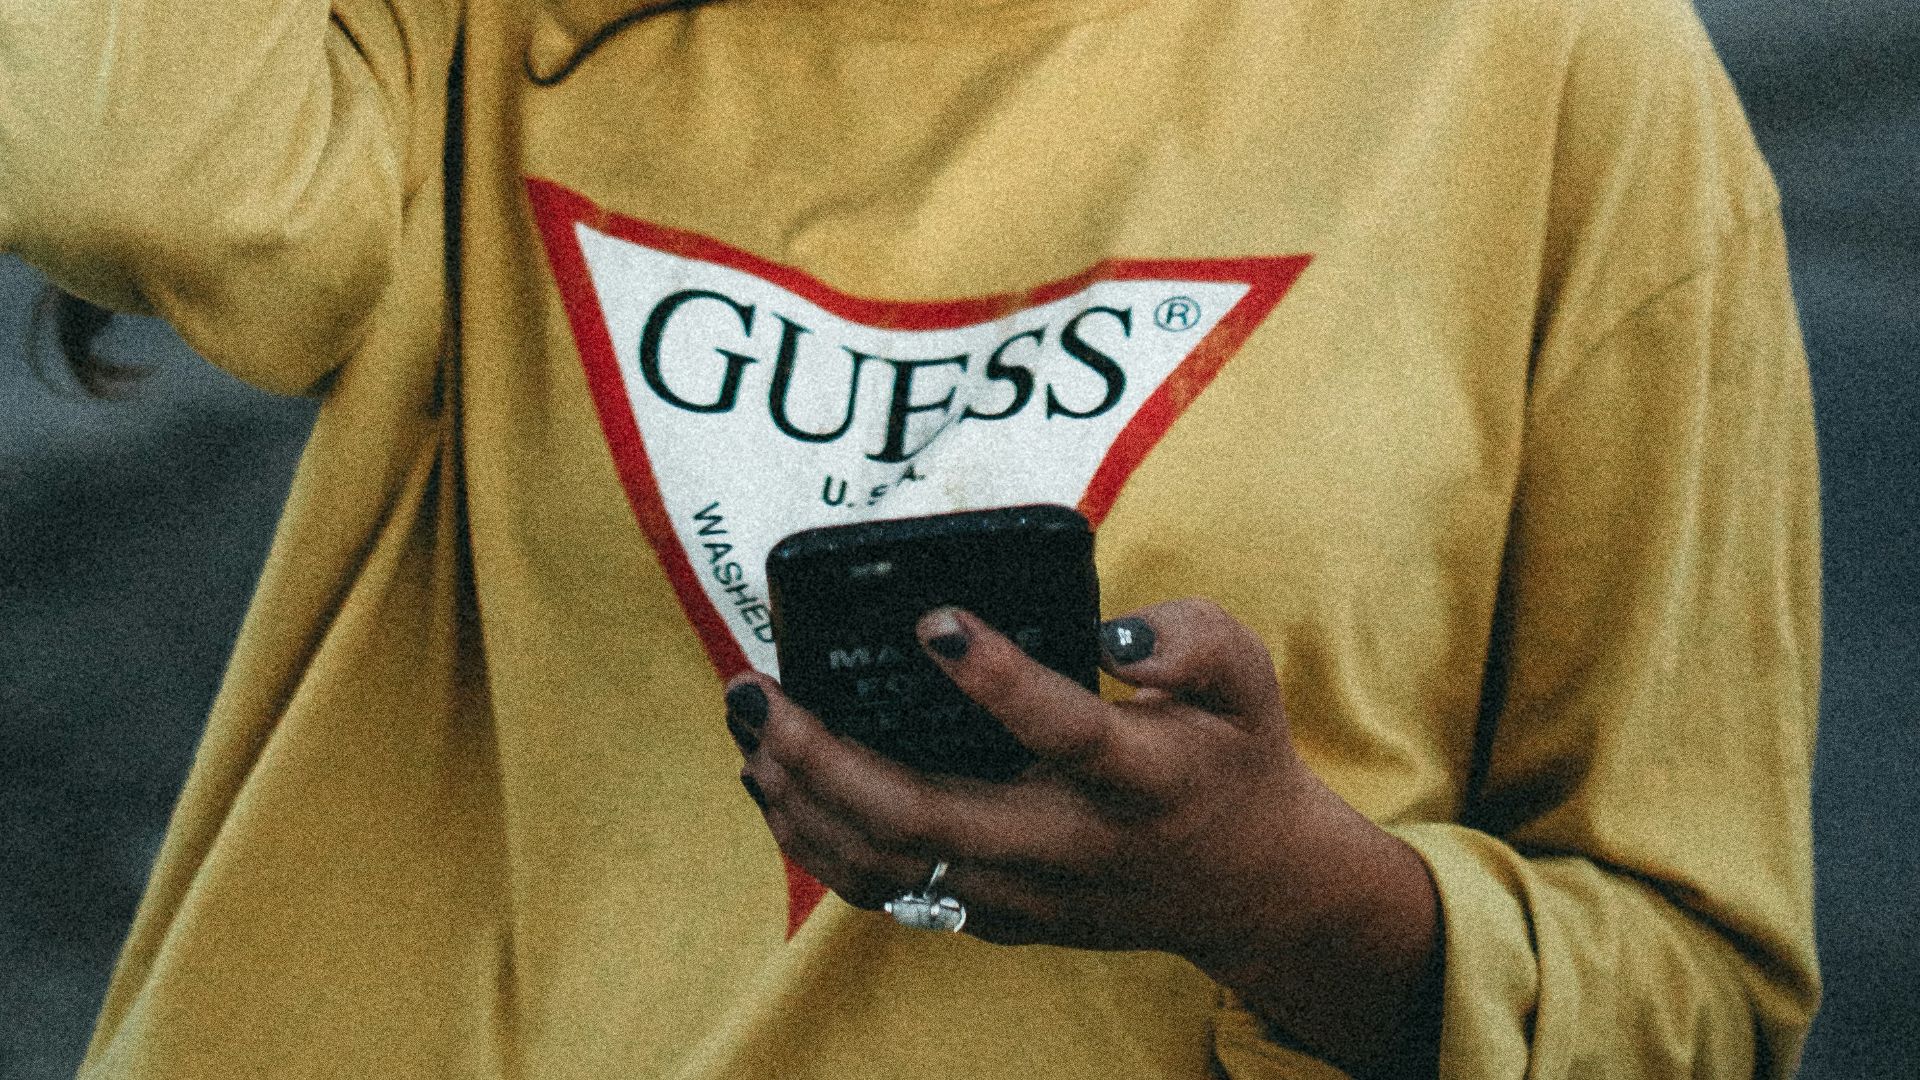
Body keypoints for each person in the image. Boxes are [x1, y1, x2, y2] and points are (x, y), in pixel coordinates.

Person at [2, 0, 1821, 1076]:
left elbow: (1701, 991)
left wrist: (1293, 905)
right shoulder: (472, 40)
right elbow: (98, 153)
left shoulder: (1549, 64)